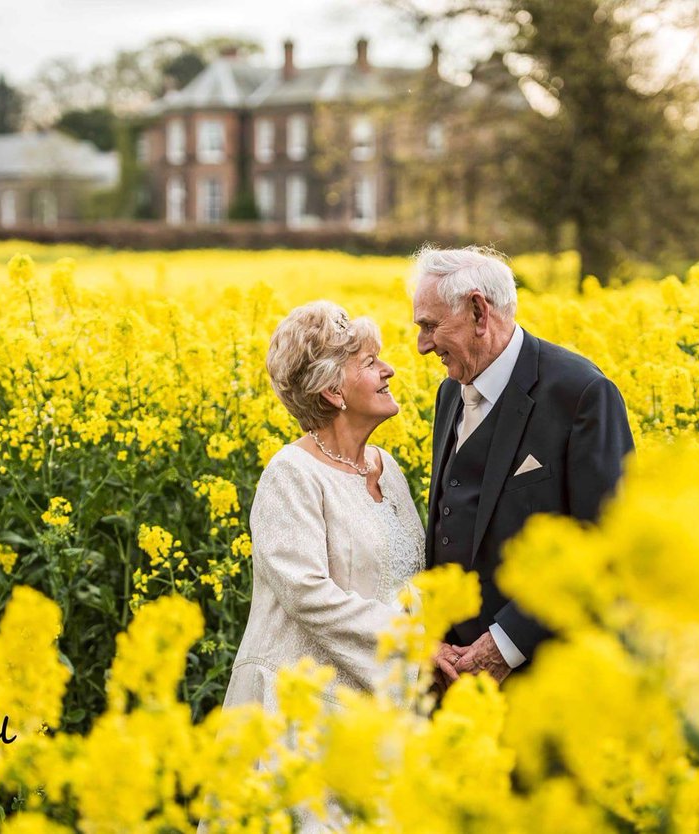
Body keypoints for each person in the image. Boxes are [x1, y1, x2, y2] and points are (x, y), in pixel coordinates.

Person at [411, 245, 635, 691]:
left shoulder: (581, 394)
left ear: (479, 311)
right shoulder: (449, 394)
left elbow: (605, 541)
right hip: (451, 682)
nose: (421, 345)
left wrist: (505, 644)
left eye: (430, 326)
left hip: (543, 681)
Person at [222, 301, 426, 713]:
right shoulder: (291, 474)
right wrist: (411, 643)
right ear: (333, 392)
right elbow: (307, 594)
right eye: (371, 363)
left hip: (383, 706)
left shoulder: (388, 469)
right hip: (306, 711)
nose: (389, 370)